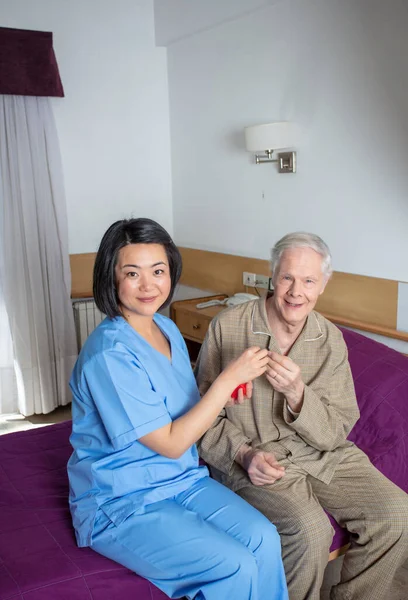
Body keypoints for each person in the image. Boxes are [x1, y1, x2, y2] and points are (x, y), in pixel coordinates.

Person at [67, 218, 288, 600]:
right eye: (132, 273)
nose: (148, 285)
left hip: (182, 480)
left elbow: (179, 402)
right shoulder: (109, 355)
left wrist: (227, 389)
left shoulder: (165, 329)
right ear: (111, 278)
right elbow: (169, 443)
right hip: (123, 501)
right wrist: (223, 383)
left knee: (264, 538)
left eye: (158, 271)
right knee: (233, 563)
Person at [195, 232, 408, 600]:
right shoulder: (228, 327)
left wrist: (298, 394)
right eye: (288, 278)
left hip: (323, 453)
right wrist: (244, 455)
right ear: (272, 277)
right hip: (258, 457)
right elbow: (201, 418)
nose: (297, 291)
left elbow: (335, 432)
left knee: (395, 514)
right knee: (310, 532)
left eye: (309, 281)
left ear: (323, 285)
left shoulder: (330, 340)